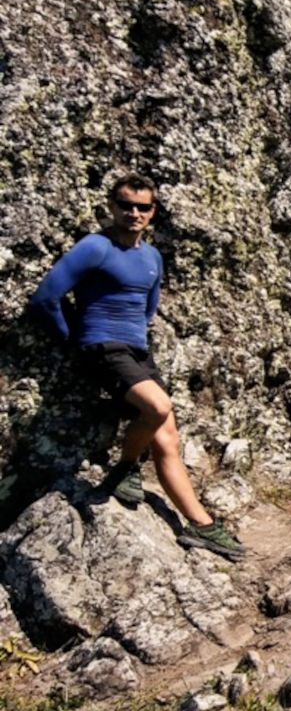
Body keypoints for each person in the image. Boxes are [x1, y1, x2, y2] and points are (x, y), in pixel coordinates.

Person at [28, 174, 245, 560]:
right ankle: (125, 467)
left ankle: (203, 526)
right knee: (159, 408)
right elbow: (46, 297)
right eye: (125, 204)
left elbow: (149, 306)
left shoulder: (152, 256)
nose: (133, 213)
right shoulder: (96, 247)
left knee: (167, 438)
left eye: (142, 207)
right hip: (103, 347)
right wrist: (74, 343)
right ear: (111, 206)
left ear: (153, 211)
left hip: (137, 352)